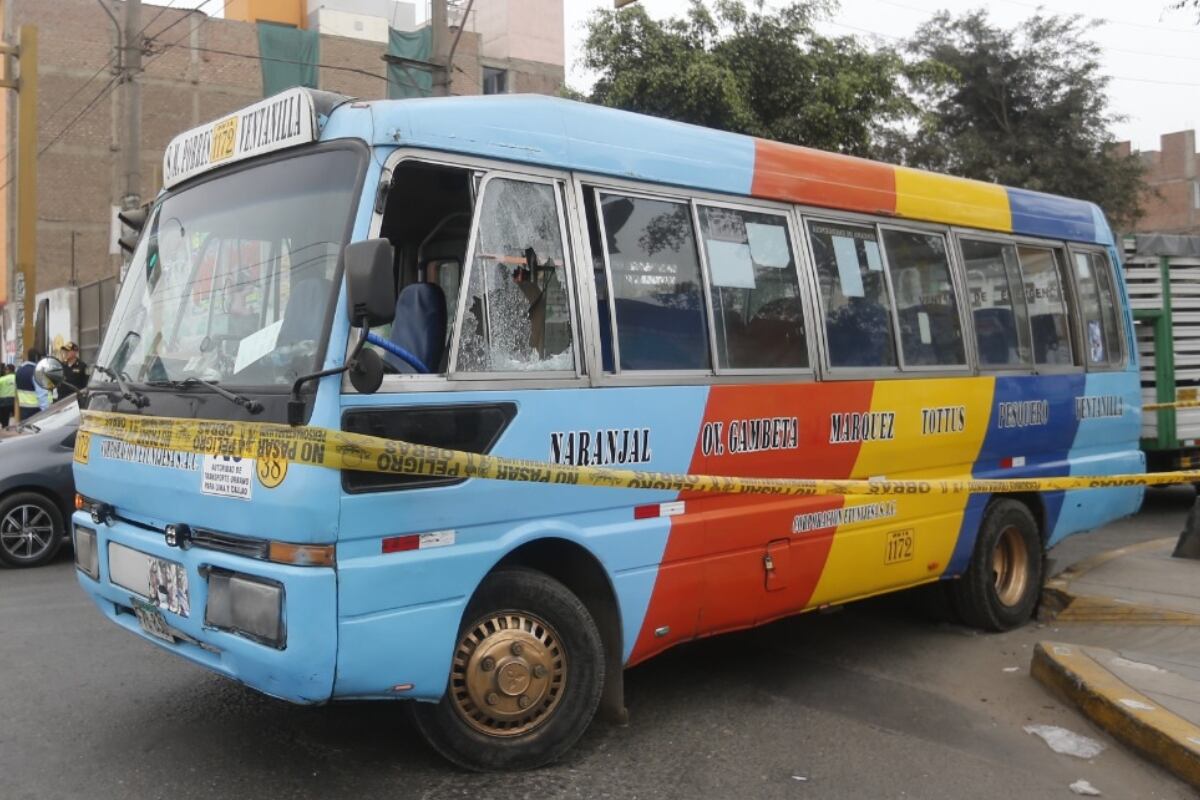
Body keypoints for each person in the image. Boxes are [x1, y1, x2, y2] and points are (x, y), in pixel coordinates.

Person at [13, 349, 41, 422]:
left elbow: (16, 396)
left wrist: (16, 420)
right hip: (37, 412)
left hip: (23, 411)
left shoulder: (19, 371)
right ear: (37, 358)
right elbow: (42, 395)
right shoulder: (36, 372)